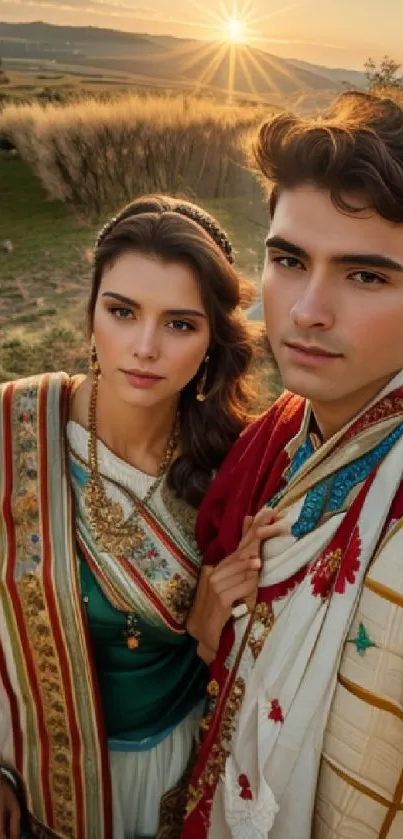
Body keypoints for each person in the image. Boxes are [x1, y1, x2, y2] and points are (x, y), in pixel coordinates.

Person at [0, 194, 260, 839]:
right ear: (92, 315)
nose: (143, 347)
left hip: (183, 766)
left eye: (179, 324)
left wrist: (208, 637)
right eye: (122, 312)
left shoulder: (239, 467)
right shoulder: (12, 432)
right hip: (27, 770)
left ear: (213, 340)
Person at [183, 90, 403, 839]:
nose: (306, 310)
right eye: (287, 259)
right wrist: (206, 622)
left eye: (365, 275)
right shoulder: (274, 436)